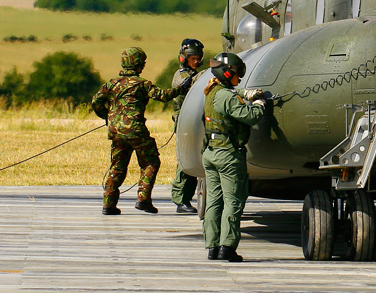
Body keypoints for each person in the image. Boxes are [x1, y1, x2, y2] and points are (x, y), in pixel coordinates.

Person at [92, 47, 190, 215]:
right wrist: (181, 89)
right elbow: (163, 96)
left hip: (116, 132)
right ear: (137, 65)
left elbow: (96, 102)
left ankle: (108, 204)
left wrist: (108, 117)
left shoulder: (111, 83)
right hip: (136, 131)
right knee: (151, 162)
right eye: (142, 63)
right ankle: (143, 199)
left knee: (117, 166)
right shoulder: (142, 84)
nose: (143, 66)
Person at [201, 52, 266, 262]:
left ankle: (212, 246)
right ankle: (227, 247)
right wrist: (259, 103)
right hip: (228, 155)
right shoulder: (227, 97)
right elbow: (251, 116)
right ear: (228, 73)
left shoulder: (211, 91)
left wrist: (245, 94)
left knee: (214, 201)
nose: (239, 79)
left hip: (210, 153)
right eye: (237, 75)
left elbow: (229, 96)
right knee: (233, 201)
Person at [170, 38, 204, 214]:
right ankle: (180, 199)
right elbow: (185, 84)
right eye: (192, 58)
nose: (196, 61)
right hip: (185, 125)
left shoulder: (195, 74)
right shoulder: (181, 75)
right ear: (183, 58)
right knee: (185, 163)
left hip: (195, 123)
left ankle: (186, 198)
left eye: (198, 58)